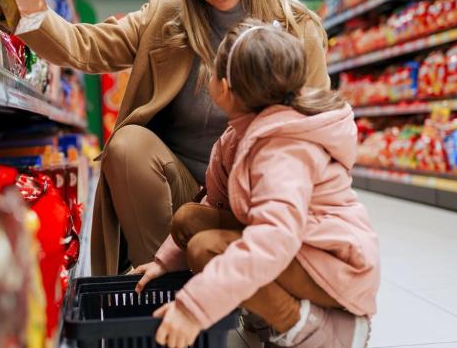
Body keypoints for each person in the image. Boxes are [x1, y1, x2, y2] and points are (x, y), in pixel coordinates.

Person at [18, 0, 330, 275]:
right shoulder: (165, 16)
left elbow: (316, 133)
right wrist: (19, 1)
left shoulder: (299, 30)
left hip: (258, 195)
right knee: (127, 144)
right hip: (184, 193)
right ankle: (158, 289)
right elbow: (83, 46)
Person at [133, 19, 380, 348]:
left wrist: (193, 309)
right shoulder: (240, 133)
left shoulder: (282, 150)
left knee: (207, 249)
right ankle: (264, 313)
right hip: (303, 248)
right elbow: (214, 205)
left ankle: (320, 331)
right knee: (190, 220)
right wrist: (164, 262)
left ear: (227, 88)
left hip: (335, 265)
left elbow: (272, 240)